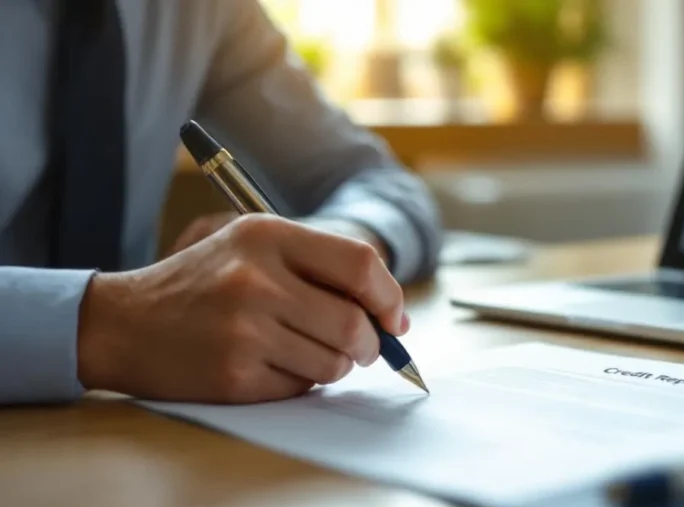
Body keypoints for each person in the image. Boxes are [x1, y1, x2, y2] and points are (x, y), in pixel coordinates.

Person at [0, 0, 443, 405]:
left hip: (127, 435)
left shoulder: (205, 10)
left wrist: (330, 250)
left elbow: (381, 183)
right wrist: (104, 325)